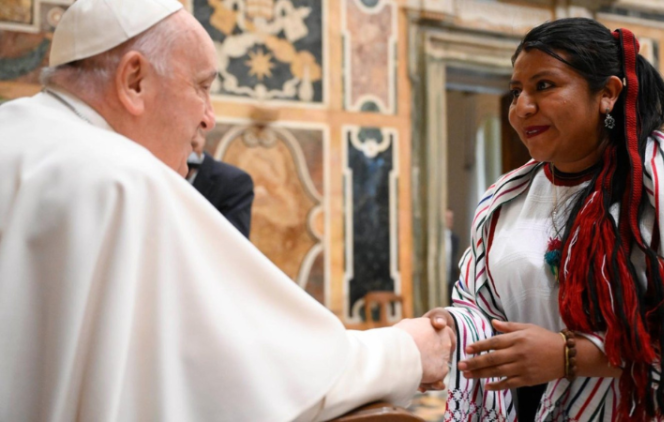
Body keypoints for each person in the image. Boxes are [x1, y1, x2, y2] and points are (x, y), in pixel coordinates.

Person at [0, 1, 455, 421]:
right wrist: (407, 351)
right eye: (201, 87)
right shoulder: (127, 179)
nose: (208, 118)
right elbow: (253, 374)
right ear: (134, 80)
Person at [426, 18, 664, 421]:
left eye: (544, 86)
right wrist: (453, 327)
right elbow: (481, 307)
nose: (522, 108)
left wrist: (572, 356)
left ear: (608, 93)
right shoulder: (504, 198)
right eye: (516, 92)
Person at [187, 131, 255, 238]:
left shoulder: (234, 181)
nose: (186, 153)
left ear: (202, 137)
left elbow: (234, 239)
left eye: (192, 145)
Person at [445, 209, 460, 305]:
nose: (449, 221)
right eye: (447, 218)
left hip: (451, 277)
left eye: (451, 218)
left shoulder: (455, 239)